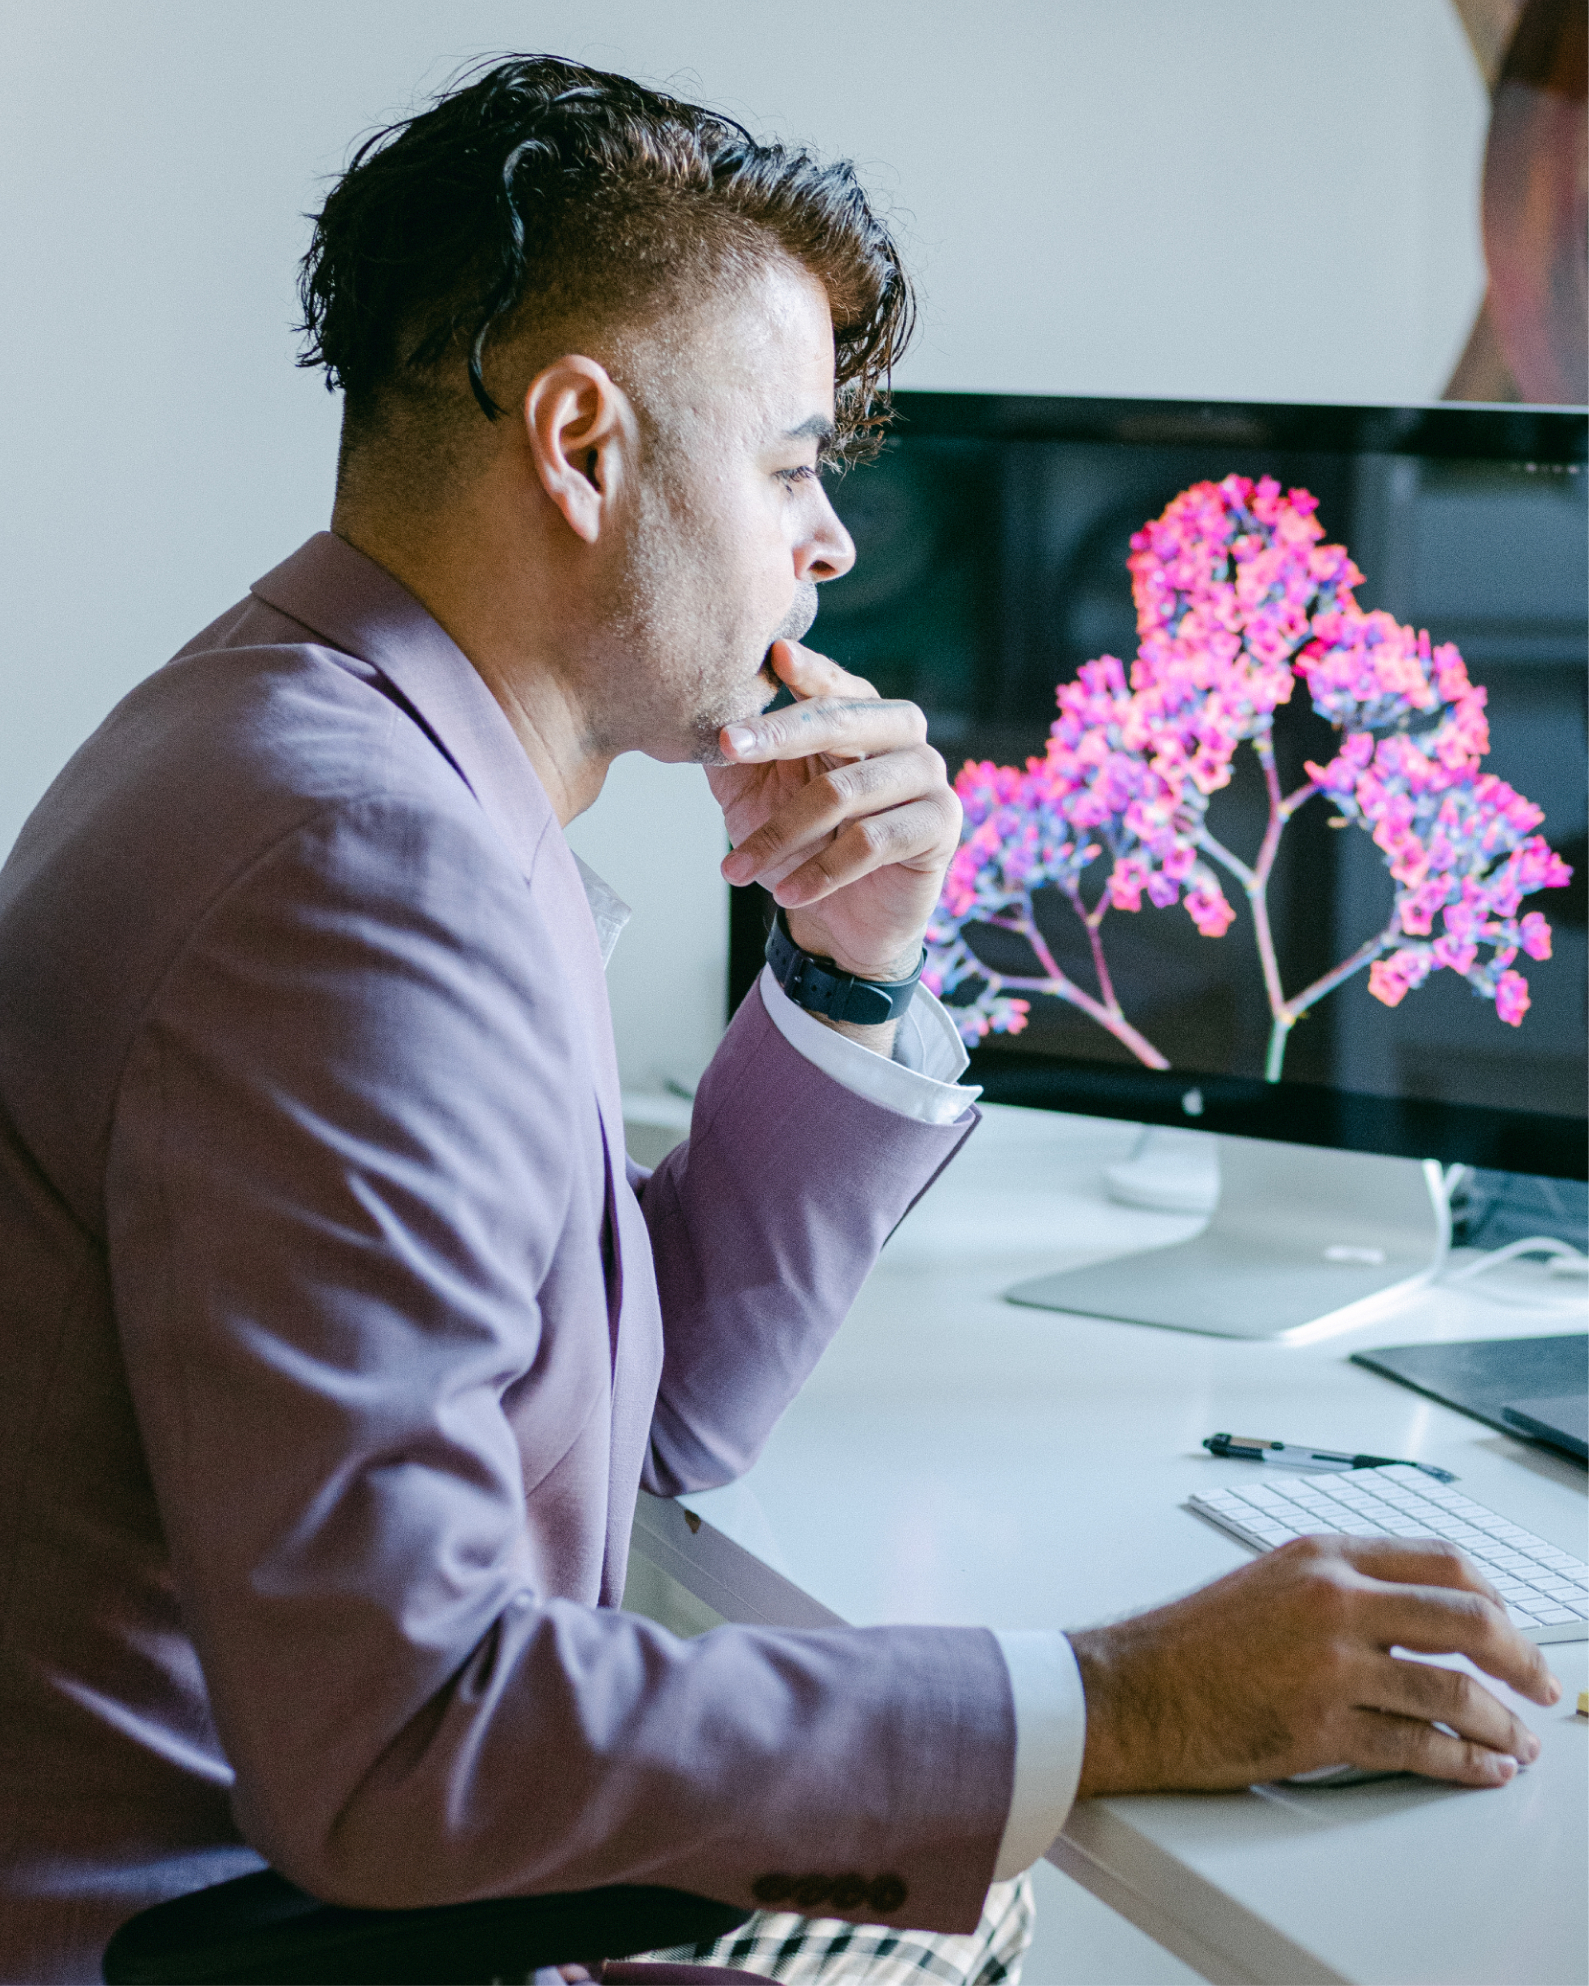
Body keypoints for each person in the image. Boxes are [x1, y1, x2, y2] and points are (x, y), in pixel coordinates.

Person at [0, 54, 1560, 1986]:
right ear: (580, 446)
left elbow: (635, 1416)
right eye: (794, 463)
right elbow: (407, 1746)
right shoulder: (351, 873)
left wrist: (849, 966)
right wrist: (1121, 1695)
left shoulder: (324, 746)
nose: (829, 544)